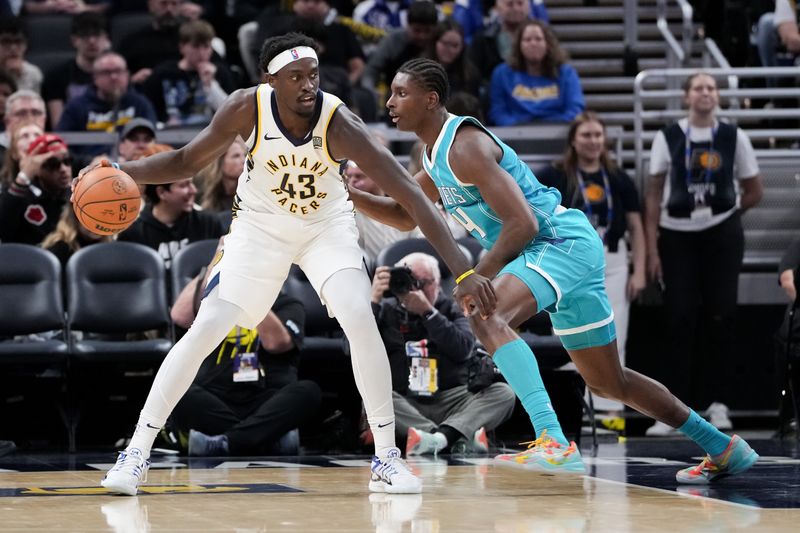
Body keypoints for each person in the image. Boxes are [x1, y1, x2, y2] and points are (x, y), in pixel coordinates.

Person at [90, 33, 492, 496]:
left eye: (314, 75)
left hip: (327, 228)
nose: (308, 85)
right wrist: (123, 172)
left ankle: (386, 457)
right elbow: (185, 160)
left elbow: (409, 193)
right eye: (296, 77)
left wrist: (463, 269)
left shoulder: (340, 123)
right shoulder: (246, 107)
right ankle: (137, 452)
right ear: (271, 80)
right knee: (207, 326)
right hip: (259, 228)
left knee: (359, 317)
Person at [347, 57, 759, 484]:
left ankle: (553, 440)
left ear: (431, 99)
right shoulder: (436, 157)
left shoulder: (464, 145)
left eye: (400, 93)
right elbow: (402, 213)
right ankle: (722, 446)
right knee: (607, 382)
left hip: (555, 242)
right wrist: (349, 193)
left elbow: (523, 223)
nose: (390, 101)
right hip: (560, 250)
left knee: (485, 312)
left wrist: (476, 274)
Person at [644, 72, 763, 436]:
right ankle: (674, 408)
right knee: (678, 317)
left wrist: (725, 214)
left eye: (711, 88)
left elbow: (754, 189)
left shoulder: (733, 136)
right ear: (686, 97)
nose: (705, 93)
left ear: (718, 96)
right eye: (698, 88)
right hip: (677, 236)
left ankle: (718, 403)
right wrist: (651, 249)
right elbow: (653, 195)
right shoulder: (667, 137)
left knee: (721, 315)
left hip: (721, 235)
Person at [536, 111, 645, 421]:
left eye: (598, 135)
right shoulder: (554, 176)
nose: (593, 141)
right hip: (569, 260)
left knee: (614, 333)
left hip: (612, 259)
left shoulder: (617, 178)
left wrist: (639, 270)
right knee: (573, 333)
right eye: (586, 135)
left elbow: (636, 225)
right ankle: (573, 411)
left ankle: (610, 410)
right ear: (573, 140)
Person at [169, 245, 322, 457]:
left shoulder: (288, 304)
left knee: (308, 391)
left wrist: (247, 293)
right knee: (175, 387)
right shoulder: (215, 302)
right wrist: (216, 263)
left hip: (267, 399)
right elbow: (180, 316)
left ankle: (226, 443)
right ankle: (266, 440)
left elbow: (276, 343)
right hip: (217, 397)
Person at [371, 252, 516, 455]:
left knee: (504, 394)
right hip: (407, 401)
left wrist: (429, 313)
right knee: (373, 397)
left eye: (422, 282)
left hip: (452, 399)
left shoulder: (454, 308)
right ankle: (451, 436)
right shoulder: (385, 310)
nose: (415, 288)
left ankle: (437, 439)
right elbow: (350, 349)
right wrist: (373, 301)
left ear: (438, 283)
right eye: (409, 281)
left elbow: (464, 348)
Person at [56, 51, 157, 156]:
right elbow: (61, 145)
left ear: (127, 74)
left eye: (118, 71)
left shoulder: (140, 104)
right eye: (106, 72)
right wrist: (87, 162)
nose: (113, 77)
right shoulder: (77, 107)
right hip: (89, 167)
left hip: (132, 165)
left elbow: (152, 141)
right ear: (95, 77)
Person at [488, 19, 584, 126]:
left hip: (558, 133)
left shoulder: (567, 73)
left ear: (548, 44)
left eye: (538, 39)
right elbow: (498, 112)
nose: (533, 44)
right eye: (527, 40)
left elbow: (574, 110)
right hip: (515, 134)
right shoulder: (501, 74)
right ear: (519, 45)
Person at [142, 19, 236, 128]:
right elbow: (148, 110)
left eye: (206, 47)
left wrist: (210, 85)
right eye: (195, 46)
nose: (201, 53)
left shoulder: (220, 72)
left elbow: (231, 114)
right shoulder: (163, 73)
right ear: (182, 47)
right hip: (169, 133)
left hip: (208, 135)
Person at [41, 11, 111, 128]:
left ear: (106, 40)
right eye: (85, 35)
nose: (91, 41)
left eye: (97, 35)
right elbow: (58, 125)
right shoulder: (56, 77)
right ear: (74, 40)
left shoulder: (115, 74)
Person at [0, 133, 71, 245]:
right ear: (37, 168)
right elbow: (3, 231)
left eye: (67, 161)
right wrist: (24, 176)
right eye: (53, 164)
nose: (63, 169)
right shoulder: (18, 195)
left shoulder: (77, 195)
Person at [345, 159, 421, 263]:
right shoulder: (346, 210)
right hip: (365, 272)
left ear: (378, 179)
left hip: (406, 269)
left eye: (359, 176)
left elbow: (420, 243)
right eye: (349, 176)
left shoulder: (403, 205)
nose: (352, 181)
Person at [40, 203, 113, 267]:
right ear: (75, 217)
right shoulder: (60, 248)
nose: (97, 225)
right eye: (91, 217)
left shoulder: (112, 249)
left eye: (103, 217)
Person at [0, 89, 46, 160]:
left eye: (36, 113)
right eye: (21, 113)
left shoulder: (55, 149)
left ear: (44, 120)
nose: (30, 118)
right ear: (7, 122)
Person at [0, 18, 42, 94]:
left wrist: (17, 77)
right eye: (6, 41)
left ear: (26, 45)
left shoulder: (33, 73)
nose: (13, 48)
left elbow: (31, 104)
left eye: (18, 41)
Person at [0, 121, 43, 188]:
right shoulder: (3, 186)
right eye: (25, 136)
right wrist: (24, 175)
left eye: (37, 135)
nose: (33, 140)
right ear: (14, 153)